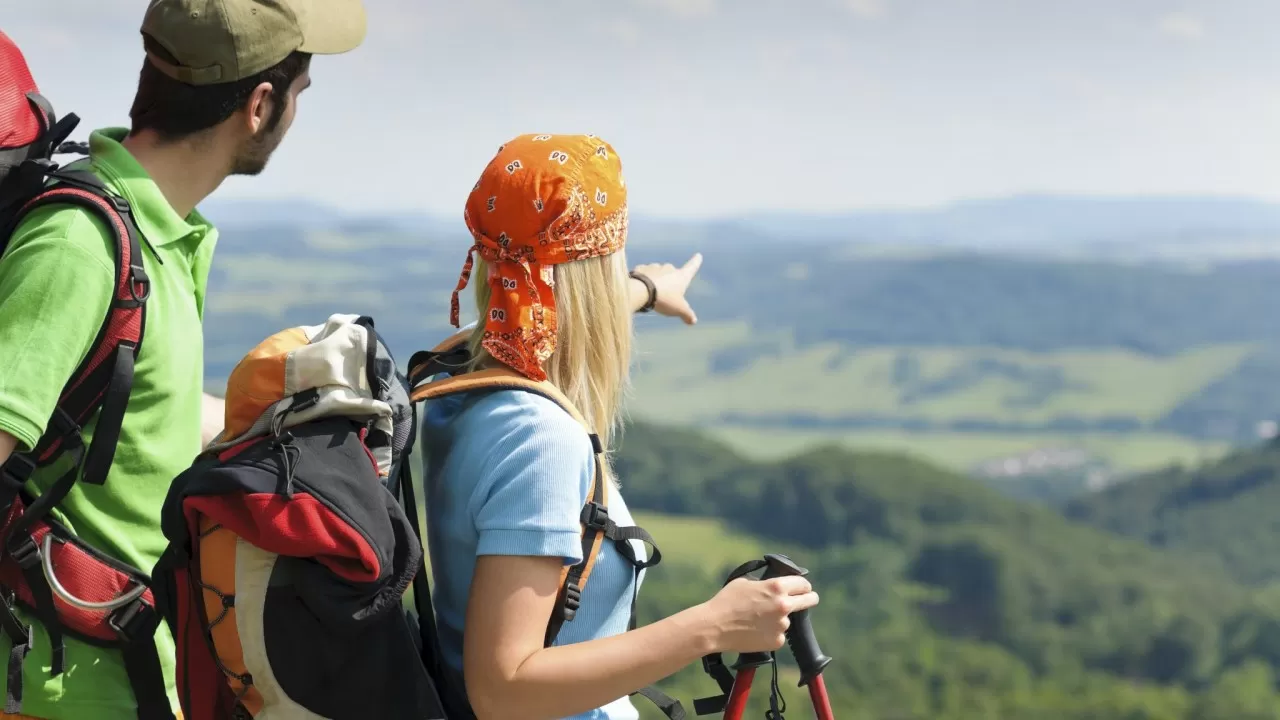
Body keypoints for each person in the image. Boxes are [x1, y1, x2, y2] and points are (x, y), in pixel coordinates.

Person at [0, 2, 368, 717]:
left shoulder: (154, 234)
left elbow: (134, 422)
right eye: (300, 93)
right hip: (52, 693)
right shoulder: (80, 247)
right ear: (260, 105)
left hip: (127, 678)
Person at [422, 133, 820, 720]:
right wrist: (715, 624)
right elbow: (503, 688)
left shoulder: (458, 369)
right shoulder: (542, 443)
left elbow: (549, 295)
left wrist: (649, 289)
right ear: (590, 273)